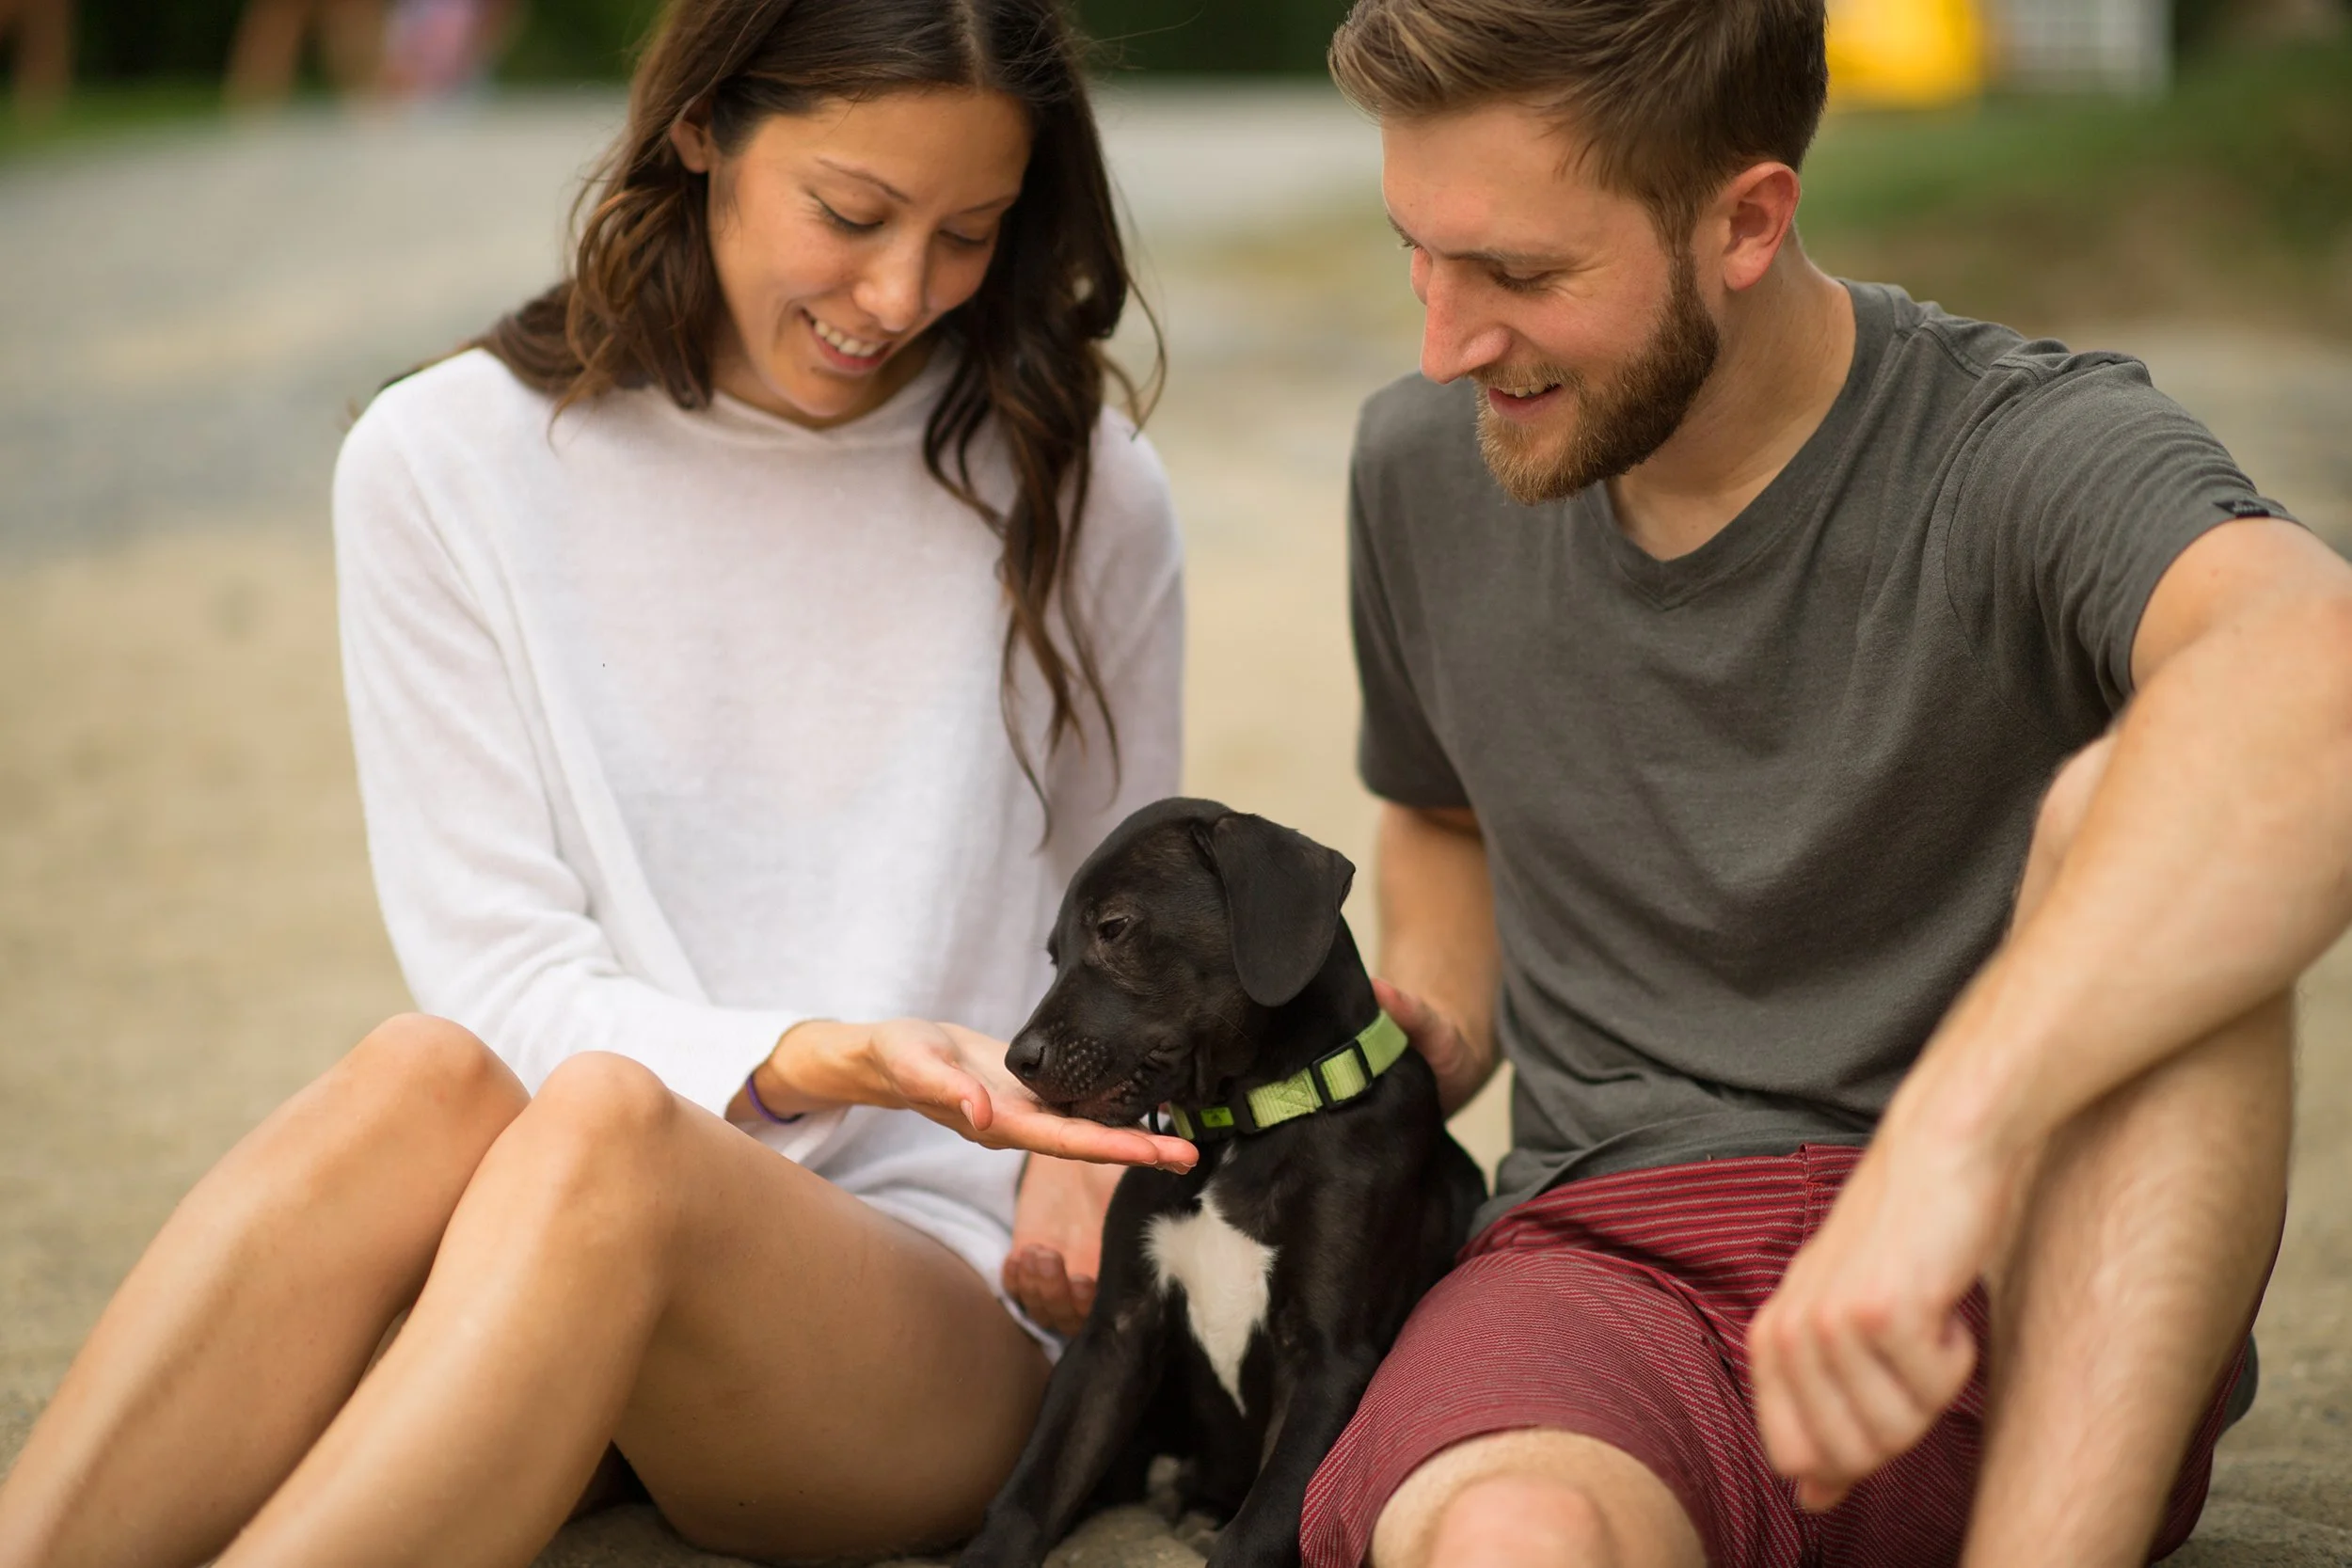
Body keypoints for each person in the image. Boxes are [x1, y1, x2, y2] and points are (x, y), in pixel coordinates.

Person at [0, 0, 1197, 1563]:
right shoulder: (442, 463)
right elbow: (499, 980)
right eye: (850, 214)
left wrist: (1078, 1140)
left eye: (969, 231)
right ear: (701, 128)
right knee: (424, 1073)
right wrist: (815, 1054)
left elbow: (1137, 934)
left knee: (608, 1135)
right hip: (551, 1222)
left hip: (932, 1290)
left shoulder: (1075, 474)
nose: (900, 293)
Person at [1285, 1, 2352, 1565]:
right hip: (1603, 1269)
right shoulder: (1422, 466)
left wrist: (1950, 1147)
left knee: (2153, 822)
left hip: (2020, 1296)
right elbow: (1444, 813)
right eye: (1419, 254)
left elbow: (2319, 672)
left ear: (1748, 220)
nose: (1445, 341)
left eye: (1518, 274)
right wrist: (1407, 1033)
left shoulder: (2026, 452)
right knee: (1513, 1531)